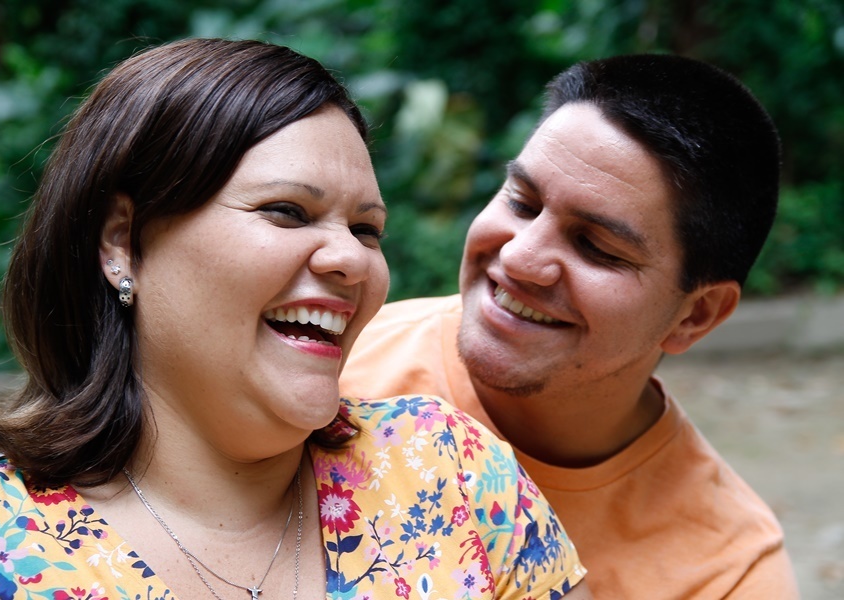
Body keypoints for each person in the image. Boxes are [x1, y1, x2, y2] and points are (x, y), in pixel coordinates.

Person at [0, 39, 591, 599]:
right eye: (286, 211)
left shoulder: (450, 471)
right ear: (122, 242)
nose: (350, 259)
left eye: (366, 228)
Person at [341, 54, 800, 598]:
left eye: (596, 247)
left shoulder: (724, 572)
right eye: (522, 201)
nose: (520, 258)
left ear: (695, 314)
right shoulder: (337, 358)